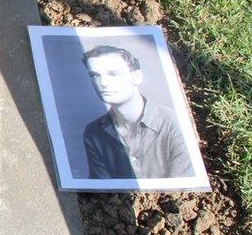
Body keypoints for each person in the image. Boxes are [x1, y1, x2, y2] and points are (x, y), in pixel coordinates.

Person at [81, 45, 193, 179]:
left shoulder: (174, 122)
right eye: (95, 76)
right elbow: (103, 190)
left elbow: (183, 185)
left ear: (137, 77)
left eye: (113, 74)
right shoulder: (93, 132)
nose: (103, 83)